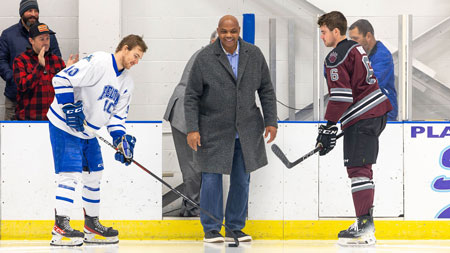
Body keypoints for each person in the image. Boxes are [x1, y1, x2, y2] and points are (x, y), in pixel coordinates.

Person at [47, 35, 147, 246]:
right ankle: (60, 228)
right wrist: (68, 106)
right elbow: (61, 78)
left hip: (88, 132)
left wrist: (121, 140)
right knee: (71, 175)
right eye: (136, 56)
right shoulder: (100, 62)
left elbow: (117, 117)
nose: (136, 61)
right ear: (125, 48)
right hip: (64, 126)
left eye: (139, 58)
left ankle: (91, 225)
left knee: (95, 174)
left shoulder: (127, 82)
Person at [185, 15, 278, 243]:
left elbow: (266, 90)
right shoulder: (205, 57)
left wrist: (271, 121)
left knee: (241, 179)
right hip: (212, 129)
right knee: (211, 179)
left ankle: (235, 227)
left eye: (233, 31)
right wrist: (192, 129)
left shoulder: (254, 54)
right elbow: (191, 97)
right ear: (218, 31)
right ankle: (211, 228)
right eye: (224, 32)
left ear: (238, 31)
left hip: (246, 129)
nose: (228, 36)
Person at [316, 11, 392, 246]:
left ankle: (365, 227)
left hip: (363, 116)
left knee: (358, 169)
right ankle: (364, 222)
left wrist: (328, 126)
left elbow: (341, 96)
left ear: (335, 31)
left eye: (324, 32)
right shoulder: (356, 48)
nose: (322, 37)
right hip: (376, 112)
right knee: (362, 168)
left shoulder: (336, 56)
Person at [163, 31, 218, 217]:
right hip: (185, 114)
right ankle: (193, 209)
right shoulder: (207, 57)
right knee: (194, 166)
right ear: (213, 41)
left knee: (196, 165)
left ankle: (191, 207)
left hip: (189, 112)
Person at [0, 0, 61, 120]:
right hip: (15, 96)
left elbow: (56, 58)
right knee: (12, 135)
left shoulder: (49, 34)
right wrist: (13, 78)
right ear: (22, 13)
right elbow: (1, 60)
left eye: (36, 11)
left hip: (42, 100)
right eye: (29, 11)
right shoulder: (8, 34)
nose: (33, 14)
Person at [12, 23, 77, 120]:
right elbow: (23, 86)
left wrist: (68, 74)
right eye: (41, 39)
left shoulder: (57, 61)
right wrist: (40, 66)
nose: (45, 42)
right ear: (31, 41)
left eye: (47, 38)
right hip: (28, 120)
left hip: (54, 119)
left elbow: (64, 89)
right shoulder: (21, 60)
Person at [349, 19, 398, 121]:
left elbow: (372, 83)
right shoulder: (359, 54)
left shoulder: (382, 55)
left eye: (356, 39)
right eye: (351, 39)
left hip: (383, 114)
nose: (352, 43)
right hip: (366, 112)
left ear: (368, 36)